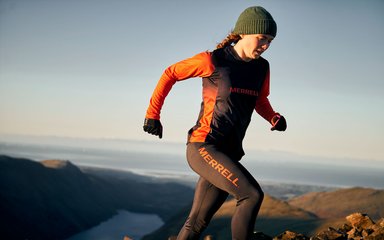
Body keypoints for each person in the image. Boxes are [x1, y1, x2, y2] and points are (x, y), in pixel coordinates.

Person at [143, 6, 287, 240]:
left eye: (270, 41)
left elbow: (259, 99)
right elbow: (170, 73)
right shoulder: (213, 60)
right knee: (251, 195)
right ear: (243, 32)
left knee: (197, 222)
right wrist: (153, 115)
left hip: (229, 153)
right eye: (262, 38)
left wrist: (273, 117)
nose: (266, 45)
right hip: (204, 147)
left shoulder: (262, 67)